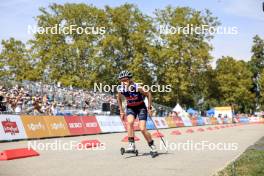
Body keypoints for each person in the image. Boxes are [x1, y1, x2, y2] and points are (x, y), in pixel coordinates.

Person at [117, 70, 157, 154]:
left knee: (142, 128)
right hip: (131, 107)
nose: (124, 82)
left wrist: (149, 108)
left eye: (125, 80)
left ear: (130, 79)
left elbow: (149, 94)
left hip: (141, 107)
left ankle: (152, 145)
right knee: (130, 122)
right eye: (122, 80)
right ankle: (131, 145)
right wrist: (121, 111)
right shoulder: (120, 88)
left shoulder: (137, 86)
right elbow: (119, 98)